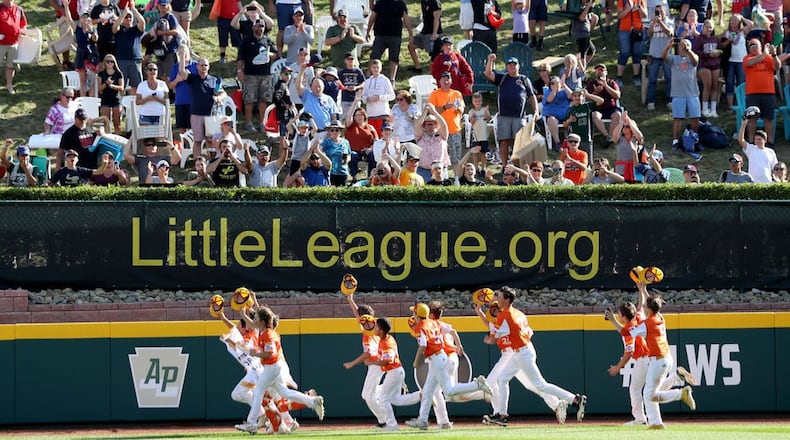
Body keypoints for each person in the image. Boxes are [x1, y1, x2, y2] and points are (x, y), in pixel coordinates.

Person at [484, 287, 587, 423]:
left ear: (507, 299)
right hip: (523, 349)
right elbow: (529, 332)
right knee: (502, 379)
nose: (498, 299)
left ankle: (575, 399)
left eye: (500, 297)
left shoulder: (504, 315)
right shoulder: (519, 313)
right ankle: (502, 415)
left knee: (540, 385)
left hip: (522, 353)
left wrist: (487, 339)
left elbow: (492, 339)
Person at [474, 299, 565, 426]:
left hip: (512, 353)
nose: (494, 311)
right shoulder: (498, 320)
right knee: (532, 385)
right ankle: (557, 404)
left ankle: (498, 413)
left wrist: (489, 339)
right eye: (492, 309)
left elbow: (493, 337)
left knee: (494, 381)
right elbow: (489, 324)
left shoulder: (505, 319)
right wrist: (479, 312)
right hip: (513, 354)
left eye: (496, 308)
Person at [237, 306, 325, 434]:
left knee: (258, 392)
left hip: (272, 366)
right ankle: (312, 401)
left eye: (255, 317)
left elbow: (270, 353)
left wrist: (255, 353)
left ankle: (251, 423)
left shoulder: (268, 334)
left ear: (262, 321)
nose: (253, 319)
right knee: (284, 393)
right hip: (273, 367)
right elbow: (253, 325)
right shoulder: (263, 329)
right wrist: (243, 314)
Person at [405, 302, 492, 430]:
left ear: (417, 314)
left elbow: (423, 345)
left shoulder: (421, 326)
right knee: (429, 390)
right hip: (440, 357)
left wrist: (416, 361)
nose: (413, 315)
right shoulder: (434, 323)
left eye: (414, 313)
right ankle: (423, 420)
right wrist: (459, 344)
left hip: (437, 359)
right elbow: (451, 330)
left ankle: (478, 385)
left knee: (449, 391)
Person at [630, 284, 697, 429]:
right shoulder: (659, 317)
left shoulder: (647, 324)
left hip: (658, 361)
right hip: (666, 358)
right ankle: (656, 422)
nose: (643, 308)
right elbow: (652, 304)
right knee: (651, 393)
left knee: (649, 395)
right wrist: (643, 290)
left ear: (648, 309)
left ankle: (681, 394)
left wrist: (623, 322)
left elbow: (631, 333)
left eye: (645, 307)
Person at [367, 317, 421, 431]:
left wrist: (372, 361)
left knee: (383, 399)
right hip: (396, 371)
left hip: (394, 372)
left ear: (381, 330)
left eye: (376, 326)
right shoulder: (386, 339)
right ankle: (421, 395)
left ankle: (392, 426)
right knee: (395, 399)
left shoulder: (386, 342)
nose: (374, 328)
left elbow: (388, 360)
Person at [485, 54, 539, 166]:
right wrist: (490, 61)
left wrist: (536, 111)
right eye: (509, 65)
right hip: (504, 116)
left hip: (519, 117)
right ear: (506, 67)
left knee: (519, 143)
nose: (512, 67)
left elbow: (531, 96)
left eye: (514, 65)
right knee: (504, 141)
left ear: (518, 66)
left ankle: (518, 166)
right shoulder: (502, 78)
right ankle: (505, 166)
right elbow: (488, 74)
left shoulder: (524, 79)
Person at [342, 291, 386, 426]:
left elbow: (367, 354)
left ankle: (385, 421)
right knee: (367, 394)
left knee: (368, 395)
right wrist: (350, 299)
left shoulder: (367, 332)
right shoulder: (374, 326)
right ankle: (389, 388)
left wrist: (352, 363)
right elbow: (358, 315)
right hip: (378, 364)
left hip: (376, 364)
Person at [604, 300, 648, 426]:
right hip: (651, 359)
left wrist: (617, 368)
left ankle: (640, 419)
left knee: (635, 389)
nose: (618, 316)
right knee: (653, 390)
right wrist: (641, 289)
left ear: (623, 316)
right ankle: (675, 379)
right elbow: (640, 306)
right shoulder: (637, 319)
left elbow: (629, 351)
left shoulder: (628, 330)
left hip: (643, 360)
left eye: (619, 314)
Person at [178, 47, 227, 158]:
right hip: (196, 114)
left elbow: (224, 94)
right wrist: (181, 57)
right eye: (201, 65)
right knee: (198, 141)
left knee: (210, 140)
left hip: (210, 115)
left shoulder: (214, 80)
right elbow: (181, 72)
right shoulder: (193, 78)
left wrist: (219, 98)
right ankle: (197, 163)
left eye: (205, 65)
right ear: (197, 67)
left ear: (208, 67)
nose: (203, 67)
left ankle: (212, 161)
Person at [237, 18, 278, 133]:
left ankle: (262, 123)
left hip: (265, 75)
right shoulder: (246, 41)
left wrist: (269, 54)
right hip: (250, 75)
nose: (260, 28)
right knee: (249, 100)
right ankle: (248, 123)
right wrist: (240, 71)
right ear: (253, 27)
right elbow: (240, 58)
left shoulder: (268, 41)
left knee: (264, 100)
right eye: (258, 26)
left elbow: (276, 54)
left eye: (262, 26)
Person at [664, 38, 701, 155]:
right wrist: (668, 46)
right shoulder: (674, 59)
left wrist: (688, 50)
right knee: (677, 118)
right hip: (678, 93)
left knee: (695, 117)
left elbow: (695, 61)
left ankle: (694, 138)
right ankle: (675, 141)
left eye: (686, 45)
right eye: (681, 46)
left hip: (692, 93)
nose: (683, 47)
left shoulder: (692, 57)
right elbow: (664, 56)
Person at [744, 38, 781, 144]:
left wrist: (774, 55)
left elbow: (777, 66)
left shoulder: (768, 58)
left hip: (768, 93)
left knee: (768, 119)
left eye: (756, 45)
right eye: (751, 45)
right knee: (752, 119)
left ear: (761, 46)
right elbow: (752, 63)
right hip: (752, 94)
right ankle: (751, 142)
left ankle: (770, 142)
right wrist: (765, 53)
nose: (754, 47)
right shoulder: (747, 58)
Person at [367, 0, 414, 80]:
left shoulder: (400, 3)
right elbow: (373, 16)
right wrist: (368, 30)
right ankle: (368, 77)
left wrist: (411, 33)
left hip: (395, 35)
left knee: (394, 58)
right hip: (380, 35)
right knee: (374, 56)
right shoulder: (380, 2)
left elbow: (406, 18)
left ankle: (392, 79)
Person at [429, 71, 464, 164]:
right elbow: (431, 111)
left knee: (456, 158)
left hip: (455, 130)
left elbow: (462, 109)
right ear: (439, 81)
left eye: (448, 80)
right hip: (440, 131)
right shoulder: (434, 94)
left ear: (451, 81)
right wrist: (445, 107)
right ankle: (443, 176)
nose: (446, 82)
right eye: (444, 80)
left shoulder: (457, 93)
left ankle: (456, 177)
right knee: (440, 157)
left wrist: (458, 109)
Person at [719, 14, 752, 109]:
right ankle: (730, 106)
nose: (734, 22)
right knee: (729, 82)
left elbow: (750, 24)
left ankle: (741, 104)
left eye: (736, 20)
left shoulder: (743, 32)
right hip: (730, 61)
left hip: (741, 61)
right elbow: (720, 45)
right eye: (732, 20)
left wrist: (742, 17)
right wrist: (728, 40)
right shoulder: (726, 32)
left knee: (741, 82)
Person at [645, 3, 673, 111]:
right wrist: (653, 23)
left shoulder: (669, 22)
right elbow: (649, 34)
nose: (659, 13)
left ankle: (669, 100)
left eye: (661, 11)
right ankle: (650, 101)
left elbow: (669, 33)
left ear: (665, 12)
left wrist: (660, 22)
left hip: (666, 55)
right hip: (654, 54)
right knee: (652, 79)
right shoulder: (652, 22)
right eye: (657, 11)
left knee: (669, 78)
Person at [563, 87, 604, 161]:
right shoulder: (570, 110)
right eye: (575, 96)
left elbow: (601, 101)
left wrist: (588, 94)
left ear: (583, 97)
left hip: (586, 139)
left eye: (579, 95)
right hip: (574, 140)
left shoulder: (587, 106)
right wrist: (569, 120)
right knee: (576, 160)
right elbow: (564, 125)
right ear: (572, 98)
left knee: (587, 161)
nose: (577, 98)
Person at [296, 66, 341, 131]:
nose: (318, 88)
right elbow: (298, 85)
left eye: (319, 86)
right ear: (311, 88)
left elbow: (333, 116)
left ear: (323, 87)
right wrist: (301, 71)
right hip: (310, 131)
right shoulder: (307, 95)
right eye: (315, 86)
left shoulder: (329, 98)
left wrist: (332, 129)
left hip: (325, 131)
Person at [112, 7, 145, 95]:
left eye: (130, 17)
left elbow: (142, 22)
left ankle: (134, 105)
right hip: (122, 60)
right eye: (126, 17)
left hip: (135, 61)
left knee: (137, 85)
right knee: (121, 85)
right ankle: (122, 105)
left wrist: (134, 10)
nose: (128, 19)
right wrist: (123, 14)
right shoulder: (119, 30)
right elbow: (115, 27)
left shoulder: (136, 30)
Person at [693, 20, 722, 118]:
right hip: (704, 64)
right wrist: (708, 54)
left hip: (715, 64)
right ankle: (704, 109)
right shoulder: (699, 39)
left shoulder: (716, 39)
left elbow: (721, 48)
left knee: (715, 86)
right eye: (707, 27)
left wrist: (718, 53)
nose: (709, 29)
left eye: (710, 27)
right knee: (707, 85)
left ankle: (713, 109)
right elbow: (696, 51)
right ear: (703, 28)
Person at [586, 63, 622, 141]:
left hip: (611, 109)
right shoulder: (591, 84)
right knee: (594, 115)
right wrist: (595, 93)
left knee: (618, 115)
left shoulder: (611, 83)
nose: (600, 72)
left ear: (606, 72)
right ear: (595, 72)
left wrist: (606, 86)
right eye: (598, 70)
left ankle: (610, 137)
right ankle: (606, 136)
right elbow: (586, 99)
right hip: (598, 109)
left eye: (602, 70)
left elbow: (618, 95)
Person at [414, 108, 450, 183]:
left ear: (436, 125)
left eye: (433, 123)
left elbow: (444, 125)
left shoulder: (442, 135)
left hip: (440, 170)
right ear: (424, 125)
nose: (430, 125)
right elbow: (417, 126)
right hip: (423, 170)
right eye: (428, 123)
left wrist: (434, 112)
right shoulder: (420, 136)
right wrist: (425, 112)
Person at [615, 0, 646, 87]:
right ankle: (619, 77)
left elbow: (644, 15)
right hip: (624, 29)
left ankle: (636, 77)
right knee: (624, 52)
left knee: (637, 53)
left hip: (638, 29)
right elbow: (620, 16)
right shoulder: (622, 1)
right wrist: (627, 9)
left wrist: (639, 7)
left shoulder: (640, 0)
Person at [344, 103, 379, 180]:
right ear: (354, 117)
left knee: (373, 154)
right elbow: (348, 115)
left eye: (361, 115)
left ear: (364, 116)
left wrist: (371, 148)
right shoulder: (350, 125)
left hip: (366, 151)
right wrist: (356, 101)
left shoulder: (370, 127)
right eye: (357, 115)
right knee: (353, 155)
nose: (359, 117)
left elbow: (376, 141)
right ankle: (354, 177)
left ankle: (371, 177)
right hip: (353, 151)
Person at [407, 0, 443, 72]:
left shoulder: (435, 2)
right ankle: (418, 67)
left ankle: (435, 72)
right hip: (424, 32)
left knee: (434, 54)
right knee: (411, 45)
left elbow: (436, 19)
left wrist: (434, 33)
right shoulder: (423, 1)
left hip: (432, 33)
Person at [361, 59, 395, 134]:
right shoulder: (367, 82)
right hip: (370, 114)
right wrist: (367, 99)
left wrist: (380, 97)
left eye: (377, 67)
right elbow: (363, 97)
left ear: (381, 68)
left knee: (383, 136)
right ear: (371, 68)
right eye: (374, 67)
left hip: (382, 114)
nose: (376, 69)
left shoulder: (385, 80)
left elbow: (392, 96)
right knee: (373, 137)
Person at [0, 0, 27, 94]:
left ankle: (9, 85)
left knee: (10, 66)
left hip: (14, 43)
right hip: (0, 44)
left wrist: (22, 31)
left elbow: (23, 25)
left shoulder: (19, 9)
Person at [542, 75, 573, 149]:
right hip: (553, 115)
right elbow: (549, 100)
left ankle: (573, 141)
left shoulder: (564, 91)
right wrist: (554, 90)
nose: (555, 84)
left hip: (566, 115)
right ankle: (558, 143)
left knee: (573, 117)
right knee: (551, 120)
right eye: (552, 83)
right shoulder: (548, 92)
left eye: (557, 82)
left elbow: (572, 96)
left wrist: (564, 85)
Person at [98, 54, 124, 134]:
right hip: (105, 99)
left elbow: (121, 88)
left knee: (117, 124)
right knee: (106, 123)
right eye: (107, 61)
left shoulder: (119, 73)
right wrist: (106, 83)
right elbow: (99, 88)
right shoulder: (101, 74)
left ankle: (118, 141)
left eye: (112, 62)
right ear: (104, 63)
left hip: (116, 99)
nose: (110, 63)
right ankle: (107, 140)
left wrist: (112, 86)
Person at [136, 62, 169, 126]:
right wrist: (148, 99)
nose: (152, 71)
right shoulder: (141, 85)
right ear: (146, 71)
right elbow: (137, 102)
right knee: (146, 135)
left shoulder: (163, 84)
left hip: (160, 114)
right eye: (150, 69)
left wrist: (157, 99)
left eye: (155, 69)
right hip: (145, 114)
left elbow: (167, 100)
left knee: (159, 135)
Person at [321, 119, 352, 186]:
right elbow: (320, 153)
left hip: (343, 171)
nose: (334, 132)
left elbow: (349, 154)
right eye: (332, 130)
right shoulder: (326, 142)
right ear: (330, 132)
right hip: (330, 172)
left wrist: (347, 160)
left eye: (337, 130)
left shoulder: (346, 142)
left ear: (340, 131)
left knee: (342, 192)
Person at [467, 92, 491, 172]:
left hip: (484, 136)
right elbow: (472, 122)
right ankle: (476, 168)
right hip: (476, 136)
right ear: (473, 102)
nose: (477, 103)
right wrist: (473, 116)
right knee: (475, 153)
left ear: (481, 101)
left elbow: (489, 119)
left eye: (479, 101)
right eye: (476, 101)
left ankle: (483, 167)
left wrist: (486, 113)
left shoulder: (484, 110)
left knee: (484, 153)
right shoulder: (471, 111)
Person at [571, 0, 598, 70]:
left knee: (591, 51)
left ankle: (580, 68)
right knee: (582, 55)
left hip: (585, 33)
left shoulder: (585, 5)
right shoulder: (577, 6)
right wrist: (587, 7)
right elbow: (581, 18)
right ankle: (581, 72)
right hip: (580, 34)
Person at [213, 0, 241, 64]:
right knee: (223, 38)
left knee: (236, 37)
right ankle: (222, 56)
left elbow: (238, 3)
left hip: (234, 19)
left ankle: (240, 55)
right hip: (222, 19)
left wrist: (242, 14)